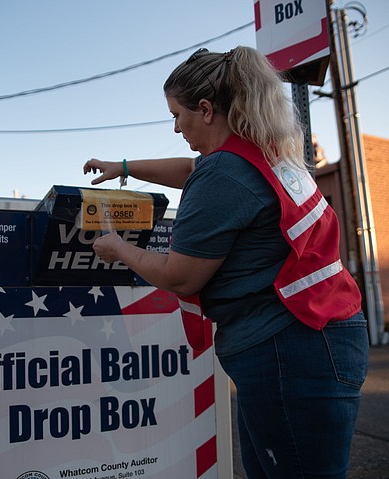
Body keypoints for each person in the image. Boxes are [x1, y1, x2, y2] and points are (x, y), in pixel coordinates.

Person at [83, 46, 368, 479]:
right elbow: (189, 171)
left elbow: (180, 276)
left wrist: (118, 248)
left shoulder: (224, 175)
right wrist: (122, 167)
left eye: (177, 115)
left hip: (291, 349)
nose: (176, 127)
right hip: (318, 335)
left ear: (205, 108)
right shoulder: (262, 153)